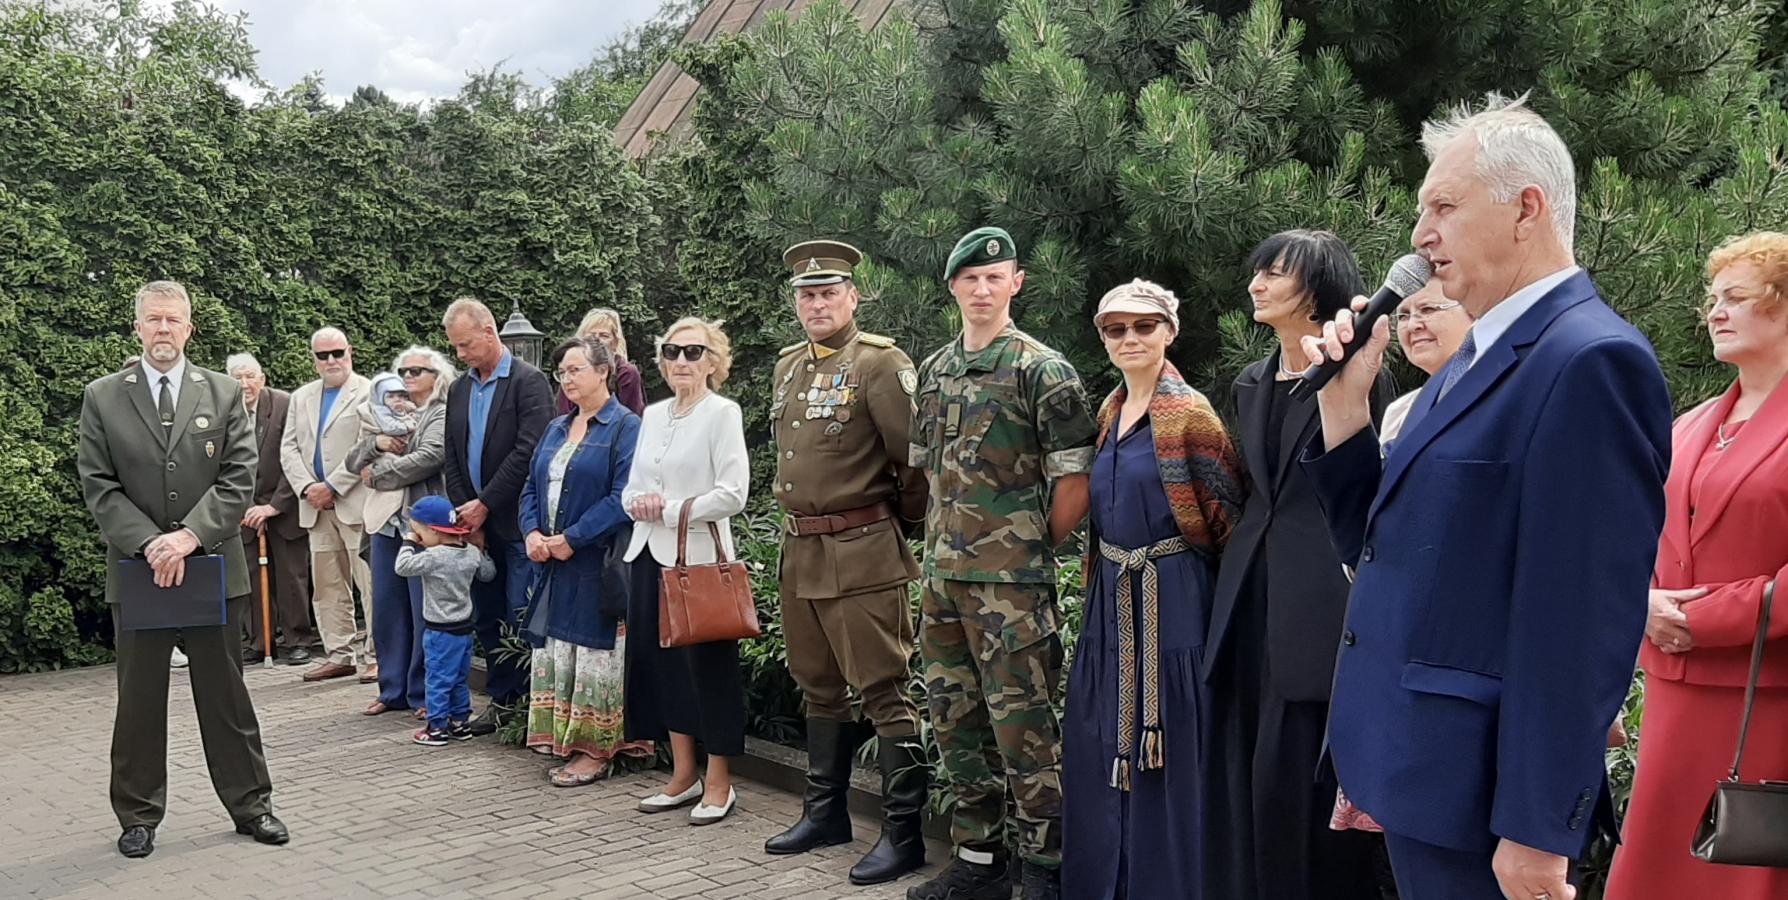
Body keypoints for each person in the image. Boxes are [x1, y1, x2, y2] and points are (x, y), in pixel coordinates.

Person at [1298, 94, 1673, 899]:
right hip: (1417, 770)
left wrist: (1538, 829)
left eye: (1443, 206)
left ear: (1526, 209)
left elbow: (1582, 617)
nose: (1419, 234)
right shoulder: (1474, 359)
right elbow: (1381, 542)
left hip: (1483, 799)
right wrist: (1343, 403)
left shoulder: (1589, 360)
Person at [906, 227, 1097, 900]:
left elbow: (1074, 481)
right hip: (944, 585)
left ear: (1015, 283)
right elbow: (930, 474)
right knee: (958, 725)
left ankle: (1046, 868)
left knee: (1026, 731)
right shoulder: (935, 370)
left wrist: (1023, 550)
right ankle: (979, 862)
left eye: (996, 277)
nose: (982, 289)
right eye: (970, 279)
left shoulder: (1042, 370)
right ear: (953, 287)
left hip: (1012, 589)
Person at [1207, 228, 1397, 900]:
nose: (1256, 283)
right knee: (1251, 758)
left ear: (1317, 286)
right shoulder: (1251, 382)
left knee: (1307, 772)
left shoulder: (1359, 378)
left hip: (1323, 594)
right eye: (1257, 271)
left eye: (1275, 272)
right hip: (1251, 588)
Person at [1604, 231, 1788, 900]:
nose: (1715, 311)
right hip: (1676, 692)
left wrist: (1706, 617)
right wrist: (1642, 605)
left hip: (1768, 697)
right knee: (1656, 872)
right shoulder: (1690, 425)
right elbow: (1635, 537)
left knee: (1747, 876)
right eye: (1712, 298)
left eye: (1736, 297)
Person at [76, 280, 288, 858]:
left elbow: (239, 476)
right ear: (137, 327)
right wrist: (151, 543)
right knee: (139, 700)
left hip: (213, 567)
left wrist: (189, 537)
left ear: (190, 328)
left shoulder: (222, 394)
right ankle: (138, 815)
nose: (163, 329)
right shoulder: (103, 396)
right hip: (139, 569)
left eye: (173, 319)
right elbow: (98, 484)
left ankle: (252, 807)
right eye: (153, 319)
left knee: (226, 697)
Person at [1062, 280, 1247, 900]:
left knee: (1174, 743)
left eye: (1143, 326)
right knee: (1102, 739)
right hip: (1111, 598)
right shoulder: (1110, 413)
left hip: (1175, 602)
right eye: (1116, 329)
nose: (1130, 338)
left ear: (1169, 331)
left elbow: (1227, 520)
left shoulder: (1192, 415)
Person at [763, 241, 930, 886]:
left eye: (829, 292)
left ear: (853, 298)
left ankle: (903, 833)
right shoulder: (786, 368)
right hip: (801, 548)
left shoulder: (880, 364)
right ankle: (825, 813)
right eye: (807, 295)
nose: (817, 303)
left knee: (887, 691)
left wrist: (896, 528)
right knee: (818, 686)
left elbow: (912, 462)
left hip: (862, 551)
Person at [622, 316, 750, 826]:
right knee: (663, 670)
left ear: (713, 362)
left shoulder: (723, 413)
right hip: (649, 556)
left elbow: (733, 493)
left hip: (699, 562)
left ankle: (720, 782)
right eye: (672, 352)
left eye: (694, 353)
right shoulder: (652, 415)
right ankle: (682, 774)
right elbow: (631, 487)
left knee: (709, 674)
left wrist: (670, 509)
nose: (681, 361)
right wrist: (640, 504)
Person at [519, 336, 655, 785]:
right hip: (553, 565)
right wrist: (533, 532)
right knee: (561, 649)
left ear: (604, 372)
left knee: (595, 651)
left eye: (576, 369)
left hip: (597, 563)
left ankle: (596, 750)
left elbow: (624, 497)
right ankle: (563, 737)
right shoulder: (556, 427)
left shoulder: (626, 426)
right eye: (562, 371)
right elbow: (530, 488)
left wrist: (571, 538)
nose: (567, 378)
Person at [441, 298, 554, 732]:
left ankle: (530, 706)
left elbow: (529, 451)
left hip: (516, 524)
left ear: (491, 332)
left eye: (467, 344)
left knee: (519, 613)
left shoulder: (529, 382)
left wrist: (485, 504)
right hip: (477, 529)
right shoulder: (459, 388)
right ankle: (503, 703)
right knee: (486, 617)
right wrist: (469, 517)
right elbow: (451, 456)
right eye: (455, 347)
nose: (461, 354)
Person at [347, 349, 455, 717]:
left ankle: (422, 694)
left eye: (416, 371)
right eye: (403, 371)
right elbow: (351, 461)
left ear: (436, 376)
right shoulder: (380, 412)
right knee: (387, 610)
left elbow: (430, 456)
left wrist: (378, 475)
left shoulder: (440, 412)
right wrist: (375, 444)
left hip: (421, 525)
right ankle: (391, 690)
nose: (407, 377)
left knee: (423, 610)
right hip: (383, 524)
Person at [280, 327, 374, 683]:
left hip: (355, 501)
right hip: (315, 508)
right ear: (313, 359)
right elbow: (288, 448)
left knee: (369, 583)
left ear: (350, 351)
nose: (332, 360)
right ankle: (340, 653)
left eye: (338, 352)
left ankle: (376, 656)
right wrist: (308, 488)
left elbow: (368, 445)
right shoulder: (301, 396)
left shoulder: (367, 391)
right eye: (324, 355)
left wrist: (333, 485)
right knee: (327, 585)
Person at [228, 352, 316, 666]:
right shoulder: (224, 411)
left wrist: (274, 506)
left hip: (285, 506)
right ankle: (259, 641)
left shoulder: (284, 404)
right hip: (245, 511)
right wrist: (249, 507)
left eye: (250, 376)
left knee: (292, 577)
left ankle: (298, 640)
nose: (244, 384)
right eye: (237, 378)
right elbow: (222, 465)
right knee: (250, 577)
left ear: (262, 378)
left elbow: (296, 458)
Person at [393, 495, 496, 746]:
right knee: (459, 678)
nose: (418, 538)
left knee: (437, 678)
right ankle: (460, 723)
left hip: (439, 631)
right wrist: (482, 549)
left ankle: (436, 727)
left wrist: (408, 542)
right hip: (464, 629)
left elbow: (402, 567)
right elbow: (488, 574)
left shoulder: (434, 556)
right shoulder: (470, 553)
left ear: (432, 531)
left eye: (419, 533)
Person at [1378, 283, 1471, 444]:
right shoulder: (1399, 413)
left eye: (1428, 309)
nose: (1413, 325)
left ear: (1473, 312)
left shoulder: (1503, 392)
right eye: (1403, 316)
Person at [562, 307, 646, 415]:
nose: (597, 340)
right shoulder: (571, 371)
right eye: (591, 335)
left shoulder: (626, 373)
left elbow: (632, 417)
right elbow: (563, 414)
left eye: (604, 336)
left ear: (615, 342)